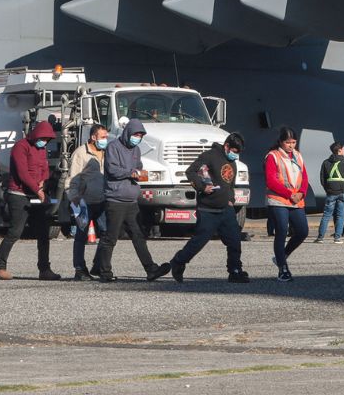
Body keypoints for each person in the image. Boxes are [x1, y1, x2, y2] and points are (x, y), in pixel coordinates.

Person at [150, 132, 250, 283]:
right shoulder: (209, 156)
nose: (235, 155)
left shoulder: (232, 162)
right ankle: (178, 262)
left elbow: (230, 183)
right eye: (234, 151)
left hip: (225, 209)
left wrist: (231, 199)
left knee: (234, 240)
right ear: (227, 146)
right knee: (199, 241)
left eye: (238, 153)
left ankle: (235, 270)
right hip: (208, 209)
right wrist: (202, 187)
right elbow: (191, 171)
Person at [0, 121, 62, 281]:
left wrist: (43, 182)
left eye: (47, 139)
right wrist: (37, 190)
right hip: (19, 194)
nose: (44, 141)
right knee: (15, 231)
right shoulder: (20, 147)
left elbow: (44, 168)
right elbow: (23, 173)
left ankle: (45, 269)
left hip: (36, 196)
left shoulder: (42, 149)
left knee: (43, 232)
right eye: (42, 138)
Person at [94, 119, 161, 283]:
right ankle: (104, 272)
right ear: (128, 133)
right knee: (111, 237)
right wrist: (131, 173)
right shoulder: (113, 147)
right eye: (136, 134)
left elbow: (138, 165)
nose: (137, 137)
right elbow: (112, 169)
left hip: (131, 199)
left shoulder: (136, 149)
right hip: (115, 199)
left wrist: (141, 172)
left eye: (140, 135)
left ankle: (151, 269)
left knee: (138, 235)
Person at [65, 124, 108, 280]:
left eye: (106, 137)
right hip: (84, 202)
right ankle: (79, 269)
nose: (105, 140)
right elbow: (73, 178)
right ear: (93, 137)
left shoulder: (106, 152)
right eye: (103, 137)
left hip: (102, 200)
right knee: (81, 235)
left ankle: (98, 265)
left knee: (106, 234)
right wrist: (73, 197)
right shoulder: (80, 153)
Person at [265, 126, 309, 282]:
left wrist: (302, 193)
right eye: (288, 142)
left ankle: (281, 256)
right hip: (279, 200)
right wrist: (290, 194)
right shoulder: (273, 156)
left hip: (297, 200)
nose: (291, 145)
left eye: (293, 142)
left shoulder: (298, 155)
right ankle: (282, 269)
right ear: (281, 142)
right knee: (282, 231)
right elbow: (271, 181)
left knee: (303, 231)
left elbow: (304, 177)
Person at [315, 142, 344, 244]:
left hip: (331, 192)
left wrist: (327, 189)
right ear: (340, 150)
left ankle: (320, 238)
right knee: (340, 215)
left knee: (326, 215)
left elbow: (322, 179)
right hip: (343, 191)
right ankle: (337, 238)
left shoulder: (325, 163)